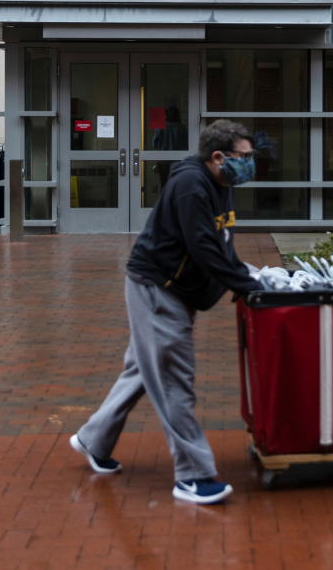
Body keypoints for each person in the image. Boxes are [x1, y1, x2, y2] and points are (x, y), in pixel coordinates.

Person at [69, 119, 261, 505]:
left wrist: (249, 274)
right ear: (218, 156)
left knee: (143, 368)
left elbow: (221, 241)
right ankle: (192, 475)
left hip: (174, 289)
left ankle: (93, 438)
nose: (251, 165)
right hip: (159, 289)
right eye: (245, 157)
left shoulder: (219, 184)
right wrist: (245, 286)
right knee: (174, 377)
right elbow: (204, 247)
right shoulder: (191, 186)